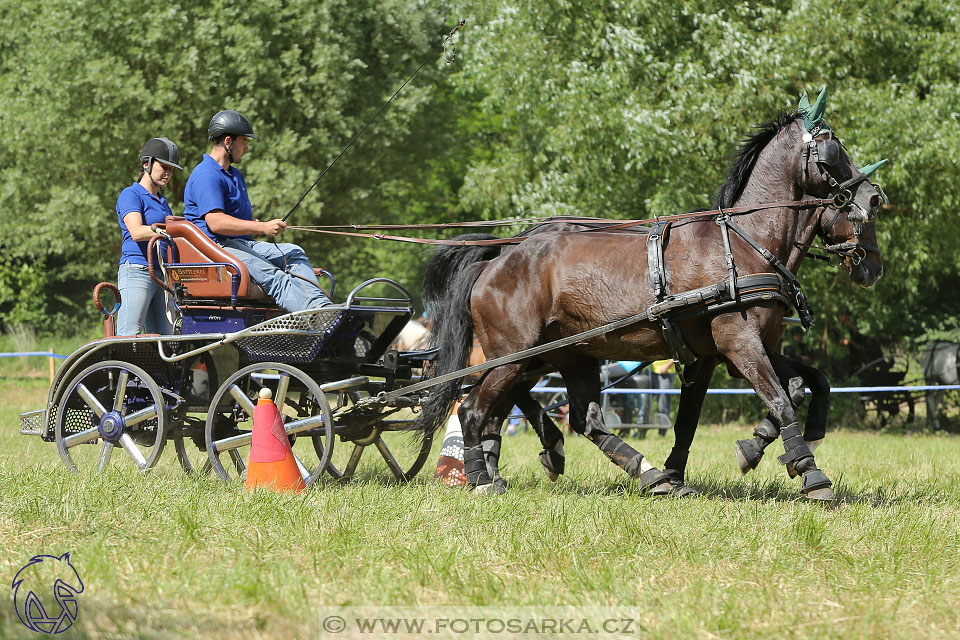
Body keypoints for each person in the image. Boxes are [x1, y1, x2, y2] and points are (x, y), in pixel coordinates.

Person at [183, 110, 331, 312]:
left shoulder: (234, 175)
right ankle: (315, 317)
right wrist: (262, 227)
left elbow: (235, 219)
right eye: (244, 141)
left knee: (294, 252)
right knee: (275, 276)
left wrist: (258, 225)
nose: (246, 148)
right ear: (228, 141)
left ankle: (323, 308)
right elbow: (216, 223)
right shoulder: (206, 175)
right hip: (214, 248)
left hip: (241, 243)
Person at [115, 137, 182, 336]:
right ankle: (121, 367)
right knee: (129, 335)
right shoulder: (131, 194)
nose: (168, 174)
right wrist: (167, 231)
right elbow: (136, 232)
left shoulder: (163, 202)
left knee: (167, 339)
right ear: (147, 164)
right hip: (137, 270)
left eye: (171, 170)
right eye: (164, 167)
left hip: (161, 275)